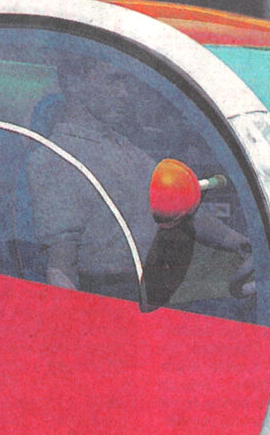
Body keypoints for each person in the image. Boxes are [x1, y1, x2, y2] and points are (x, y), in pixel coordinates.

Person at [26, 56, 250, 303]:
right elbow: (60, 269)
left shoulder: (126, 147)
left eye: (126, 82)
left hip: (152, 291)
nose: (125, 93)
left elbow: (177, 205)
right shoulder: (57, 159)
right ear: (73, 83)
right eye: (113, 81)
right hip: (108, 299)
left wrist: (234, 240)